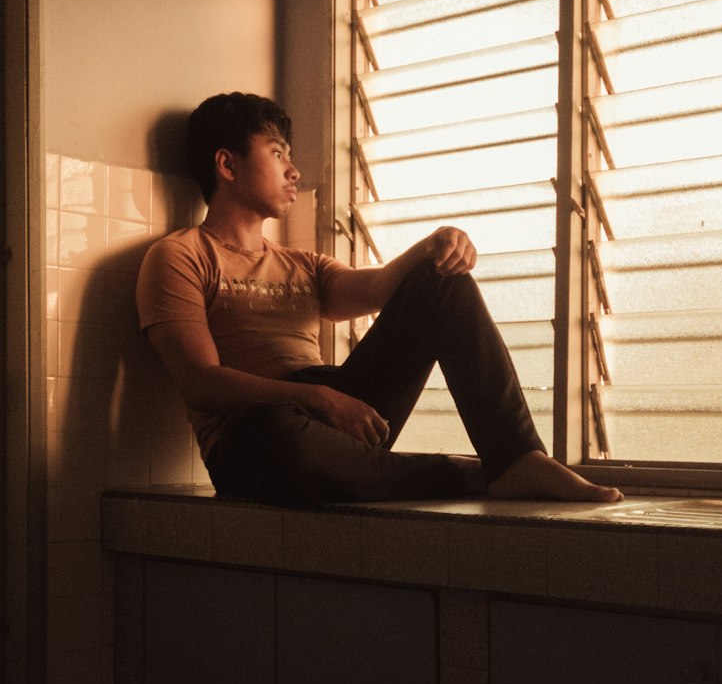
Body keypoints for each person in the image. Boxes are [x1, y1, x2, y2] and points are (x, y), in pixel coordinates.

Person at [136, 92, 623, 508]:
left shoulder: (304, 265)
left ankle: (517, 458)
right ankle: (470, 474)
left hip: (333, 408)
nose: (294, 170)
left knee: (441, 283)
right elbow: (200, 383)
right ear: (227, 164)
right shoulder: (180, 256)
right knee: (274, 435)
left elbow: (383, 286)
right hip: (258, 434)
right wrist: (317, 398)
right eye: (278, 153)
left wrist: (436, 244)